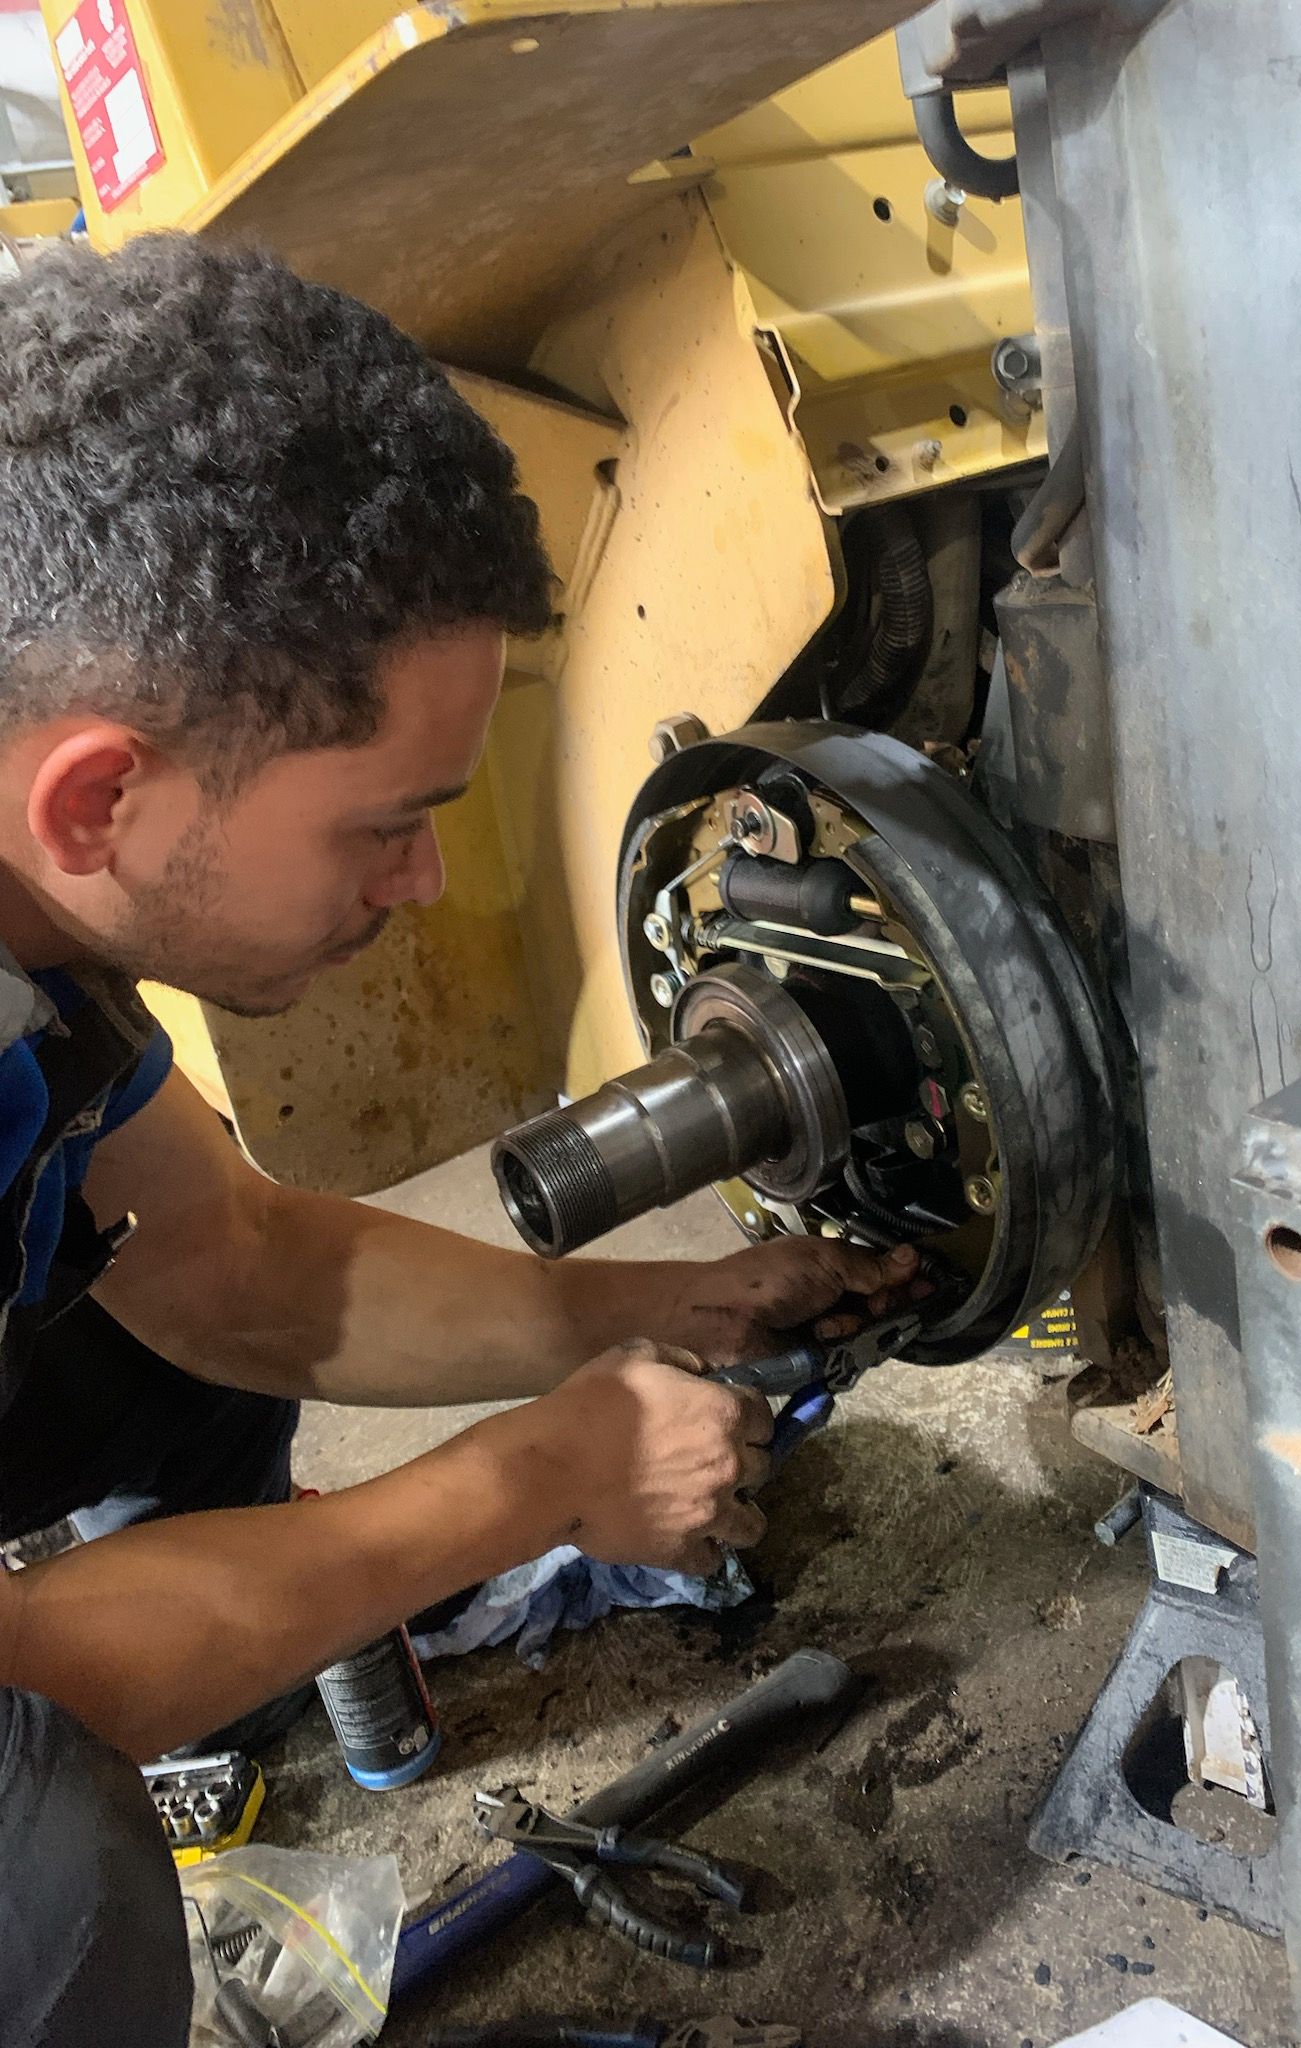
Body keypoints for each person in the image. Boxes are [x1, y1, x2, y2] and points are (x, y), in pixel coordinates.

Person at [0, 234, 917, 2046]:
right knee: (44, 1865)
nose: (424, 883)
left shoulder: (46, 923)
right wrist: (526, 1482)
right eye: (387, 824)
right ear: (99, 794)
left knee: (154, 1332)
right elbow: (21, 1688)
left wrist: (668, 1311)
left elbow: (241, 1268)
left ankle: (233, 1632)